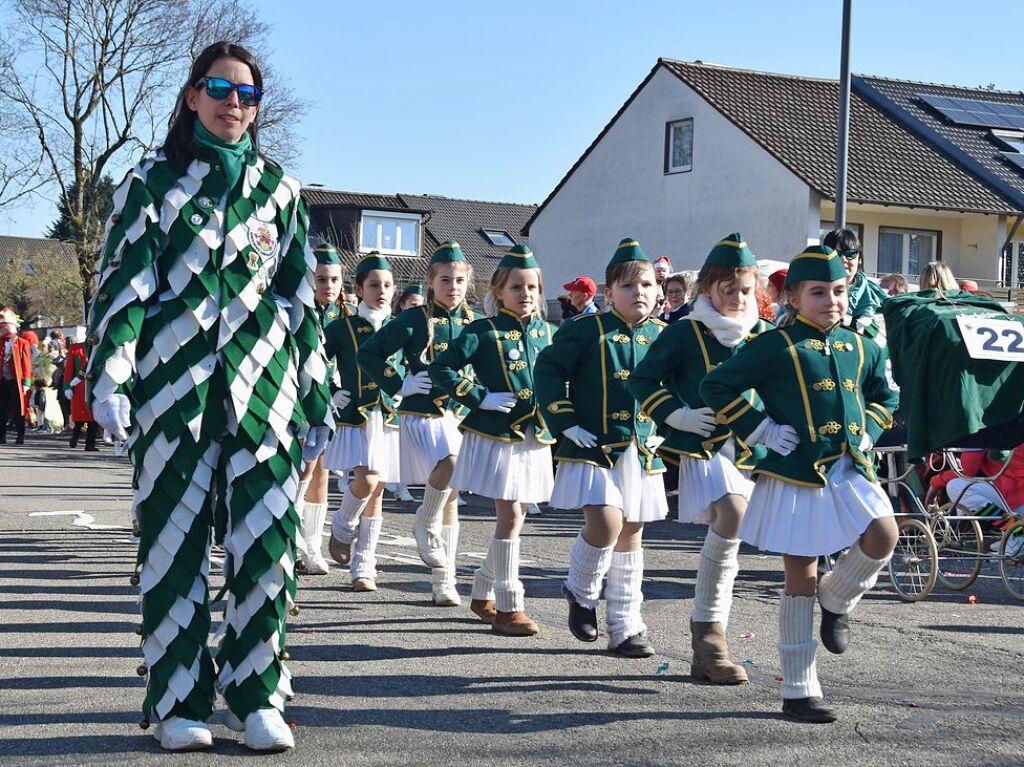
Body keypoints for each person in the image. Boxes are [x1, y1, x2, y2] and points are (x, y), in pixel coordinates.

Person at [85, 41, 333, 751]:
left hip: (264, 400)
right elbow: (122, 288)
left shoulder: (280, 192)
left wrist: (317, 393)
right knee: (174, 552)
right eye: (220, 89)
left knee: (266, 550)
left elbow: (297, 302)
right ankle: (178, 701)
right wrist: (111, 375)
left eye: (248, 95)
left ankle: (258, 695)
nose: (234, 103)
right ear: (192, 96)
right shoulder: (149, 183)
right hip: (174, 397)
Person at [700, 245, 900, 724]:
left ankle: (837, 599)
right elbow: (717, 387)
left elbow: (885, 395)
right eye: (818, 292)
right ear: (790, 296)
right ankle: (798, 688)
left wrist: (871, 426)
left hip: (850, 467)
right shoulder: (773, 346)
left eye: (839, 291)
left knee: (884, 534)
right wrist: (760, 428)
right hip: (796, 473)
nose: (831, 300)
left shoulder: (862, 346)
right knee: (800, 574)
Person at [631, 233, 773, 684]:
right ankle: (709, 634)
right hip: (705, 443)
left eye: (745, 289)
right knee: (732, 513)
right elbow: (642, 381)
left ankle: (709, 642)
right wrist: (676, 414)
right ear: (707, 288)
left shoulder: (766, 334)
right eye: (727, 288)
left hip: (754, 447)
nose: (736, 297)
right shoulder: (686, 332)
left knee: (738, 528)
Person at [536, 238, 668, 658]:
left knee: (632, 532)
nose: (640, 293)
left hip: (641, 447)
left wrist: (674, 423)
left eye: (646, 285)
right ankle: (581, 590)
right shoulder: (586, 330)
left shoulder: (666, 336)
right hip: (593, 443)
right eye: (628, 287)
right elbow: (548, 370)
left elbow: (682, 386)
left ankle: (627, 626)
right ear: (609, 293)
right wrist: (565, 420)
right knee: (607, 523)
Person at [430, 244, 555, 636]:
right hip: (497, 435)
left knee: (515, 516)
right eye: (517, 287)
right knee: (513, 515)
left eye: (532, 286)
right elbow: (442, 369)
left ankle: (482, 591)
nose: (526, 294)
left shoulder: (546, 331)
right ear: (498, 291)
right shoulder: (482, 330)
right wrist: (477, 395)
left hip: (533, 436)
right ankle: (507, 605)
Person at [357, 240, 475, 606]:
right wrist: (399, 383)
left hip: (457, 416)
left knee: (452, 497)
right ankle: (423, 521)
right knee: (450, 466)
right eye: (444, 280)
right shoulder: (414, 318)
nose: (452, 287)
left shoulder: (475, 323)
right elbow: (369, 353)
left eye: (458, 280)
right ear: (430, 282)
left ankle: (444, 581)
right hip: (422, 415)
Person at [323, 252, 401, 591]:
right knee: (367, 480)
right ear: (358, 288)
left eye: (386, 285)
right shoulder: (341, 328)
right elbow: (311, 362)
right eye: (373, 285)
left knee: (379, 489)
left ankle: (363, 565)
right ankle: (341, 527)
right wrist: (330, 391)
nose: (380, 291)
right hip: (356, 414)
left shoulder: (404, 327)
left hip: (391, 415)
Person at [291, 243, 348, 575]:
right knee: (302, 471)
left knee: (321, 473)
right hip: (299, 400)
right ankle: (293, 539)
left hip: (329, 403)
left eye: (334, 280)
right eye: (321, 279)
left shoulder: (345, 318)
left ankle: (311, 544)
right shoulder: (298, 312)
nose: (328, 286)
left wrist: (339, 393)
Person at [823, 229, 887, 342]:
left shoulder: (879, 300)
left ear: (860, 259)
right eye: (835, 254)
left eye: (850, 254)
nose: (843, 260)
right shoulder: (811, 296)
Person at [0, 308, 32, 445]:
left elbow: (26, 363)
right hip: (2, 380)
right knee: (1, 409)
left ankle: (20, 435)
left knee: (19, 409)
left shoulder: (22, 343)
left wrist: (26, 382)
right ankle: (1, 436)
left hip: (16, 381)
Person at [64, 332, 100, 451]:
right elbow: (69, 369)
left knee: (92, 419)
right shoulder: (75, 348)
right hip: (79, 386)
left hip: (95, 387)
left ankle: (90, 444)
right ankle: (74, 438)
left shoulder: (100, 347)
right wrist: (67, 386)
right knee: (80, 417)